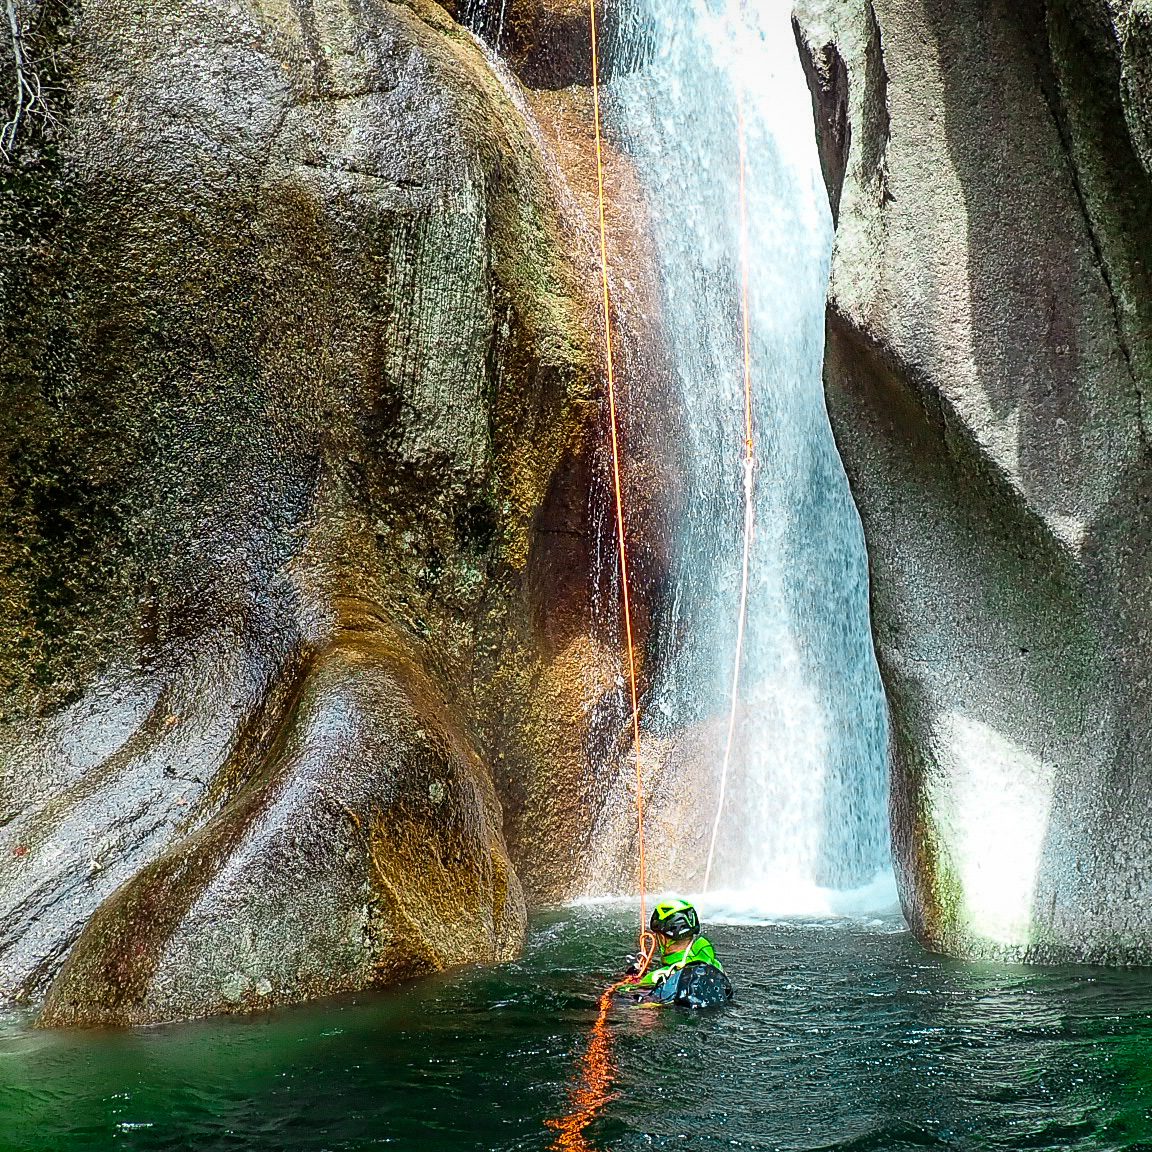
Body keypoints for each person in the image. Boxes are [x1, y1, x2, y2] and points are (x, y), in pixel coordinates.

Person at [625, 898, 733, 1007]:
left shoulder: (656, 977)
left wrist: (633, 977)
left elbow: (630, 998)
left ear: (662, 938)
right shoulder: (716, 965)